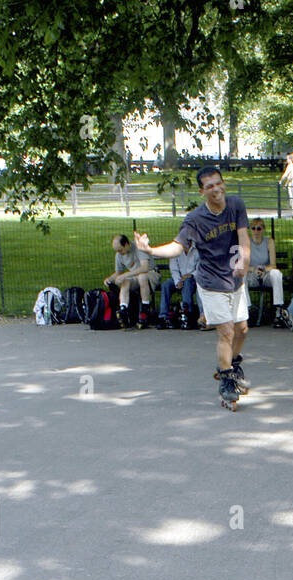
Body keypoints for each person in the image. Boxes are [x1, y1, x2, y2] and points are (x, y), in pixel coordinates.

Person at [134, 166, 251, 410]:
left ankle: (231, 364)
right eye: (210, 186)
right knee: (227, 331)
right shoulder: (195, 220)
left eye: (219, 183)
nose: (216, 189)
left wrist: (244, 260)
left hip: (236, 280)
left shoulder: (236, 205)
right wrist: (151, 250)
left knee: (242, 329)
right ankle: (227, 380)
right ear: (202, 191)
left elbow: (243, 238)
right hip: (211, 282)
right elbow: (178, 247)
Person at [104, 234, 161, 329]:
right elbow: (119, 273)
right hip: (135, 276)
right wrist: (110, 279)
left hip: (150, 274)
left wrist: (125, 275)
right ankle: (123, 309)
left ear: (126, 244)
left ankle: (145, 308)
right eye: (117, 251)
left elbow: (144, 267)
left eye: (120, 250)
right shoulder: (119, 255)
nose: (119, 253)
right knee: (125, 281)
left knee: (142, 276)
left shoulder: (138, 248)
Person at [246, 218, 285, 324]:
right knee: (240, 277)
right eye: (253, 228)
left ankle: (279, 310)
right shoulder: (246, 242)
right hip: (252, 275)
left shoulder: (269, 241)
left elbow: (273, 265)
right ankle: (247, 311)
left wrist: (263, 269)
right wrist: (254, 269)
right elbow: (243, 265)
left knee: (276, 274)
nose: (256, 231)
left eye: (259, 228)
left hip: (266, 274)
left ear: (263, 229)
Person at [157, 243, 198, 327]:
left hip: (193, 278)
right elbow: (173, 268)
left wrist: (191, 275)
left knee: (187, 282)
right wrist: (178, 281)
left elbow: (201, 268)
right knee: (165, 285)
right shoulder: (176, 250)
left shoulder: (197, 250)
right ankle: (163, 317)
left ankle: (187, 314)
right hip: (178, 278)